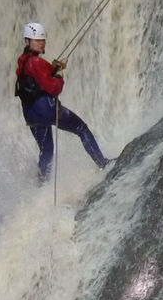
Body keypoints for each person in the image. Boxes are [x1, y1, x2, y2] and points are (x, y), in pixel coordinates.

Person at [15, 21, 112, 182]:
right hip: (47, 108)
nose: (41, 43)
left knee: (46, 150)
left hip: (31, 114)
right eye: (37, 40)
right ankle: (103, 163)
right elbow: (54, 88)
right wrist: (58, 74)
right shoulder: (37, 62)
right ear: (28, 41)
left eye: (42, 39)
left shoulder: (23, 61)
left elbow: (35, 80)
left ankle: (41, 185)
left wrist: (50, 71)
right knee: (81, 128)